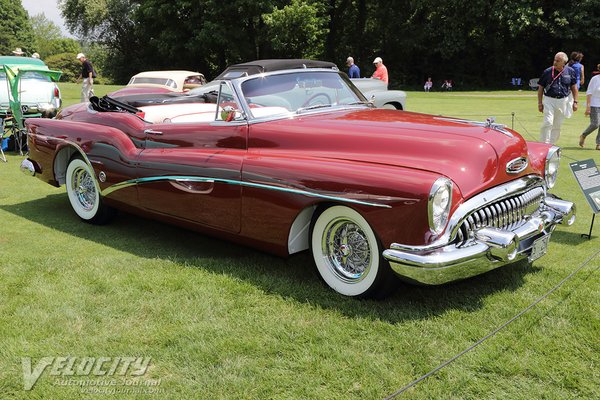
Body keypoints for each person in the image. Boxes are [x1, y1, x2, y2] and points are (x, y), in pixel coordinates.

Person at [537, 52, 579, 144]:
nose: (555, 62)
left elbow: (574, 87)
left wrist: (575, 102)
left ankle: (552, 145)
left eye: (558, 61)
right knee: (548, 122)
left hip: (563, 101)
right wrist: (540, 103)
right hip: (549, 99)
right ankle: (544, 144)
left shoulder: (570, 71)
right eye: (554, 60)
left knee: (557, 125)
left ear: (564, 62)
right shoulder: (547, 71)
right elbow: (540, 88)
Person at [578, 72, 600, 150]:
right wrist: (588, 107)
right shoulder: (595, 79)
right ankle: (583, 135)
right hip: (594, 104)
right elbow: (589, 92)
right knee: (595, 124)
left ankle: (598, 144)